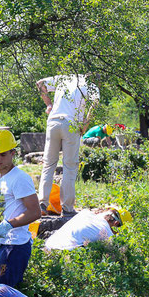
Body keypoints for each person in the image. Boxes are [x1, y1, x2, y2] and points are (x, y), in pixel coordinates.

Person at [37, 74, 100, 217]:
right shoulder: (92, 85)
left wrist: (49, 105)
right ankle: (67, 208)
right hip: (71, 124)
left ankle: (42, 203)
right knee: (69, 166)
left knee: (48, 164)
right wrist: (85, 124)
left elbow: (40, 83)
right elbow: (94, 104)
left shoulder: (64, 78)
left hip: (53, 122)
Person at [0, 129, 41, 287]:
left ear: (13, 153)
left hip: (15, 245)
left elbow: (35, 212)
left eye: (3, 154)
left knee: (3, 292)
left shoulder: (20, 178)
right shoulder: (1, 179)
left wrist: (8, 225)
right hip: (4, 242)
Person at [45, 206, 132, 251]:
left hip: (49, 244)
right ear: (116, 223)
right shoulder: (106, 233)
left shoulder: (85, 213)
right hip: (63, 251)